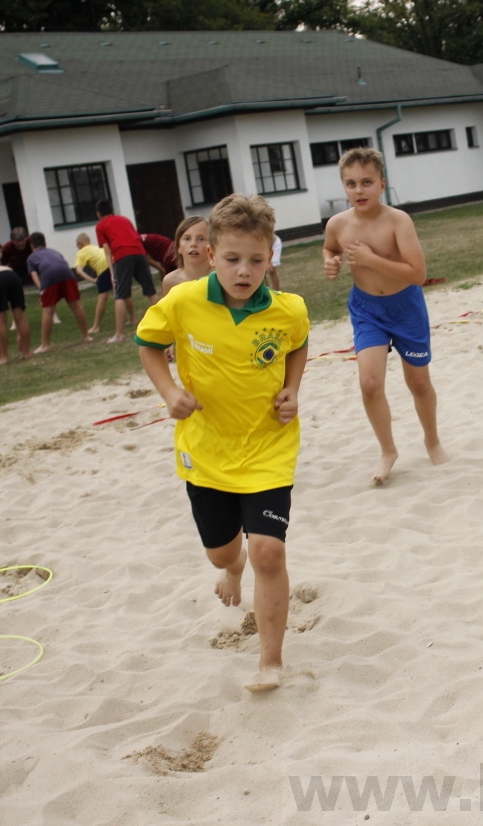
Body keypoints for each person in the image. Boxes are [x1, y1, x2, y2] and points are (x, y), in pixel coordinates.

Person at [136, 193, 309, 692]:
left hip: (267, 447)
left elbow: (297, 346)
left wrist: (292, 390)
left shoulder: (288, 310)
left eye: (256, 260)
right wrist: (169, 391)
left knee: (269, 553)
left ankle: (270, 661)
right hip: (206, 451)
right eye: (232, 259)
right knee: (221, 554)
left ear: (270, 256)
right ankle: (231, 567)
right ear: (210, 255)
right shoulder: (183, 301)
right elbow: (148, 344)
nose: (244, 271)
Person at [323, 147, 449, 484]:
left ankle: (432, 440)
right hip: (367, 311)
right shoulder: (337, 223)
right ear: (343, 187)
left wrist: (369, 259)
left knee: (419, 383)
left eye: (366, 182)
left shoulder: (398, 220)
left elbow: (418, 274)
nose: (359, 190)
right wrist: (330, 262)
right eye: (350, 184)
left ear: (382, 183)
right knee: (369, 383)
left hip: (406, 307)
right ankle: (388, 450)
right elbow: (331, 247)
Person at [95, 198, 158, 343]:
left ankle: (119, 334)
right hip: (140, 253)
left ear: (98, 214)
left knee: (121, 295)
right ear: (111, 210)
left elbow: (106, 249)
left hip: (123, 256)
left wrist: (112, 272)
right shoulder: (124, 219)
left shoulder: (100, 226)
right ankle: (172, 324)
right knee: (151, 291)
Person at [27, 232, 92, 353]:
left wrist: (41, 287)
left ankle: (45, 345)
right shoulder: (54, 251)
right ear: (45, 243)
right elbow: (63, 263)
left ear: (32, 246)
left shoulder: (31, 257)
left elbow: (34, 274)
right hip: (67, 274)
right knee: (76, 306)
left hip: (49, 276)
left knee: (48, 311)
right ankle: (86, 336)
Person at [0, 264, 32, 364]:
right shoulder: (1, 270)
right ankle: (26, 353)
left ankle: (4, 357)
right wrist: (19, 334)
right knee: (20, 316)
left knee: (1, 319)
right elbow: (18, 316)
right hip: (13, 276)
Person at [73, 232, 113, 335]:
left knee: (102, 296)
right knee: (122, 292)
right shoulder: (96, 248)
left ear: (80, 244)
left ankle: (96, 326)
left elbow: (78, 271)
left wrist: (94, 280)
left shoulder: (82, 252)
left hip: (102, 266)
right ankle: (131, 319)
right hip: (112, 261)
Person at [160, 216, 211, 297]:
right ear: (178, 247)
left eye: (201, 239)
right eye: (187, 239)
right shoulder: (170, 281)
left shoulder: (221, 276)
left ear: (212, 246)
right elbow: (167, 309)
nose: (193, 244)